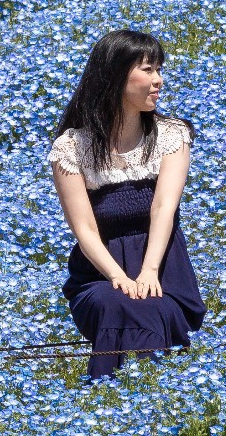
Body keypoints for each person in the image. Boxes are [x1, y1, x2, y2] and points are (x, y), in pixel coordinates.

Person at [49, 29, 205, 378]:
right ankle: (128, 402)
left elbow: (163, 207)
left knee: (147, 305)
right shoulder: (71, 148)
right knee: (117, 301)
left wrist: (148, 271)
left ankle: (121, 401)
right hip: (99, 276)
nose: (158, 81)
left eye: (159, 70)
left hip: (164, 272)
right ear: (116, 76)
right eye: (147, 70)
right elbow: (84, 229)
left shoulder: (172, 135)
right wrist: (119, 277)